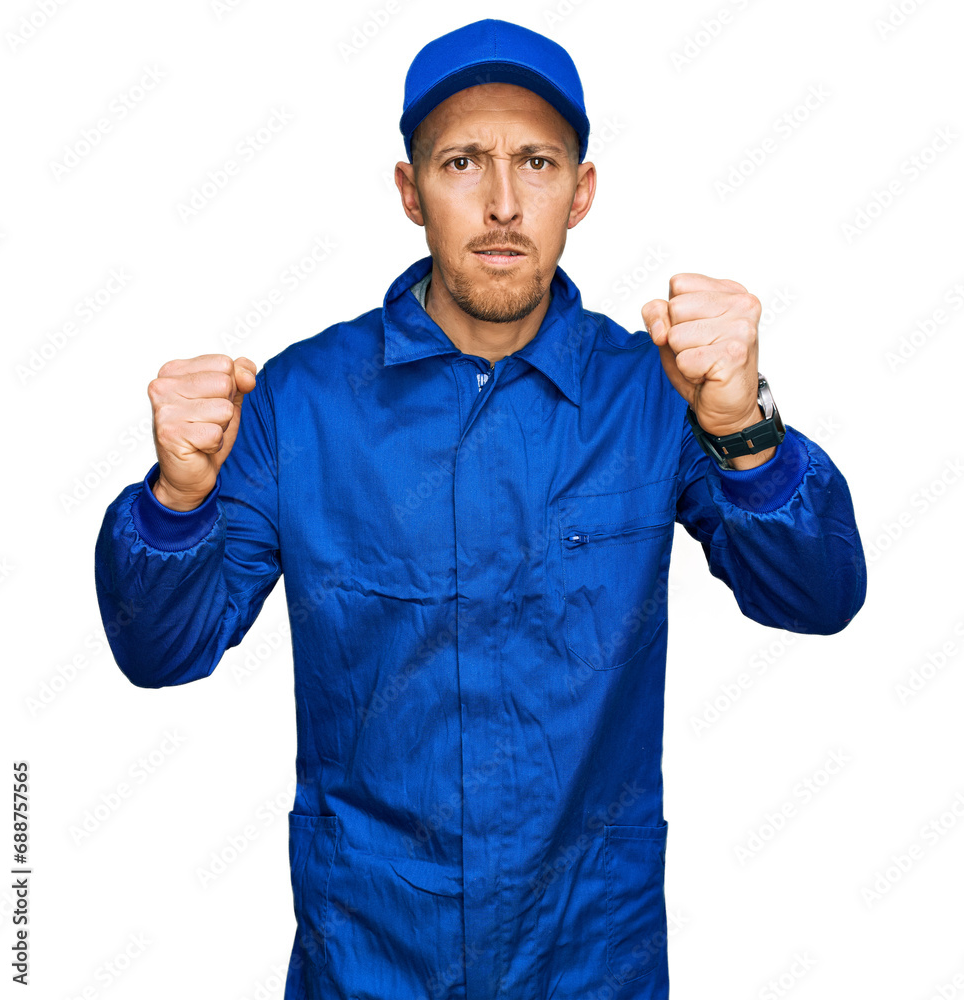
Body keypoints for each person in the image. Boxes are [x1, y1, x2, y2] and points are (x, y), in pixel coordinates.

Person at [94, 17, 867, 1000]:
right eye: (463, 161)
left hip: (589, 959)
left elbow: (820, 594)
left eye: (536, 162)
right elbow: (159, 649)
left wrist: (743, 426)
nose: (503, 202)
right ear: (410, 189)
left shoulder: (654, 396)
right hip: (370, 960)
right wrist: (176, 499)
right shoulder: (304, 403)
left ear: (580, 192)